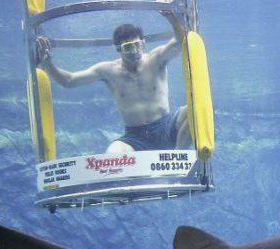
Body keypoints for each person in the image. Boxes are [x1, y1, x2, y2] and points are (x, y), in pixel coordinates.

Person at [36, 12, 191, 153]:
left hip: (166, 126)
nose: (134, 51)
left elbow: (181, 41)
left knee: (194, 110)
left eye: (137, 45)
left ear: (143, 44)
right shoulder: (108, 71)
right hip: (135, 137)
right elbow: (69, 81)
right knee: (112, 154)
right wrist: (48, 63)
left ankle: (179, 154)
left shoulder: (156, 59)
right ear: (118, 49)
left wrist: (171, 17)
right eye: (128, 47)